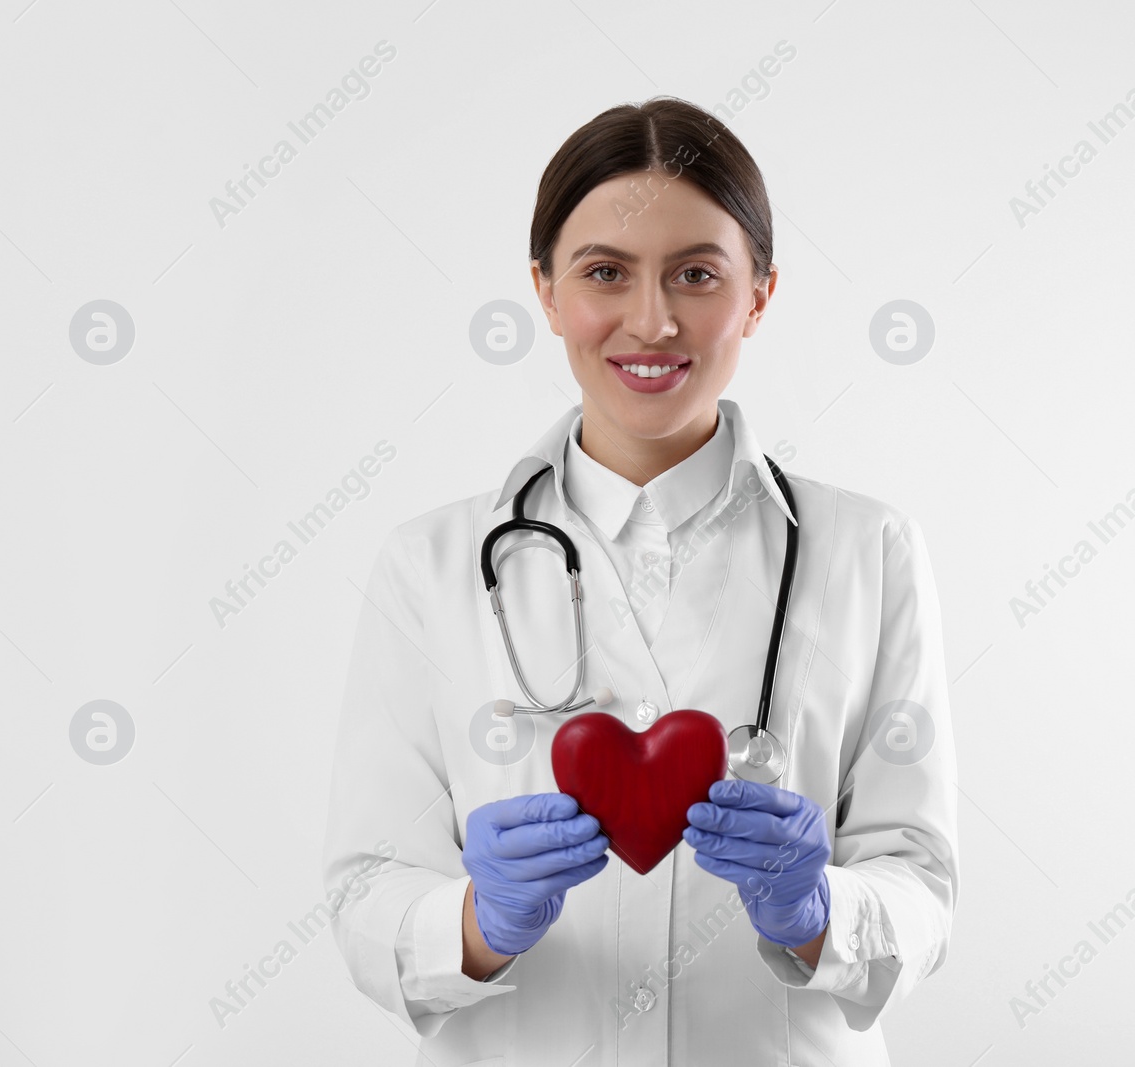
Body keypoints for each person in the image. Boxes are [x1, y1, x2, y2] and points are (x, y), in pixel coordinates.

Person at [322, 96, 958, 1066]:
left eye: (697, 273)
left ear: (758, 293)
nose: (652, 320)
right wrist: (478, 920)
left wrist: (818, 910)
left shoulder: (866, 550)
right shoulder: (431, 565)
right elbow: (367, 885)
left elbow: (919, 882)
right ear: (543, 291)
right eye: (605, 272)